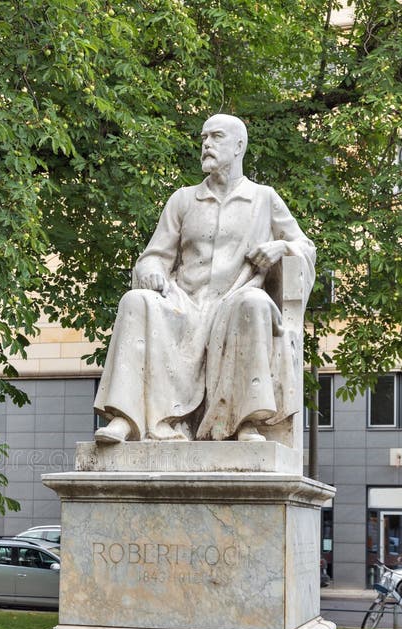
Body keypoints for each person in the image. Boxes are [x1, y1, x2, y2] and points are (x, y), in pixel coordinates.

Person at [94, 114, 316, 444]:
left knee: (254, 303)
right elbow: (154, 255)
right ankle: (127, 420)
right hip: (183, 303)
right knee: (135, 300)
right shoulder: (183, 199)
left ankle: (244, 423)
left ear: (239, 146)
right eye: (203, 138)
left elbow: (305, 247)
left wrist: (280, 247)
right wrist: (152, 268)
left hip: (235, 300)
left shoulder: (264, 198)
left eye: (216, 137)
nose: (206, 145)